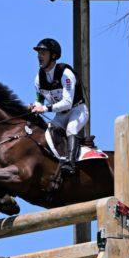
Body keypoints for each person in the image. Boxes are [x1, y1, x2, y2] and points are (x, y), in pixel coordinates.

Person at [28, 38, 88, 174]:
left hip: (77, 111)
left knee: (71, 129)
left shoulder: (65, 74)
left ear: (53, 56)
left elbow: (67, 103)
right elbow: (39, 101)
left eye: (43, 53)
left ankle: (71, 165)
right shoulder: (39, 78)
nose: (39, 56)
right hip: (60, 115)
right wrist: (34, 106)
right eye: (38, 53)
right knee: (48, 134)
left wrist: (45, 109)